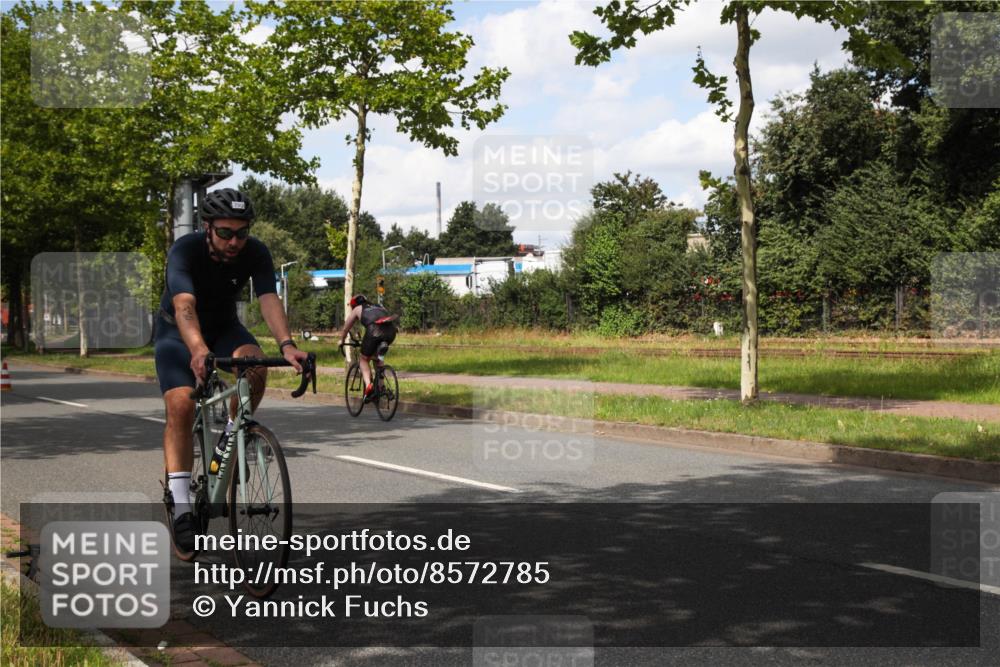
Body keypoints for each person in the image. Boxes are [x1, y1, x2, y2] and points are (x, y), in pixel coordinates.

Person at [154, 188, 308, 553]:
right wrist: (198, 350)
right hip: (178, 333)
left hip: (224, 328)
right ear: (208, 228)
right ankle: (181, 506)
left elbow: (268, 298)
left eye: (241, 233)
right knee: (181, 405)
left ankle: (231, 437)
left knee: (255, 364)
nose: (234, 241)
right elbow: (184, 305)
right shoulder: (184, 251)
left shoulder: (256, 252)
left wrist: (287, 345)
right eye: (225, 233)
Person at [338, 294, 398, 400]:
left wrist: (341, 340)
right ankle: (381, 387)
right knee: (378, 357)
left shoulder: (357, 309)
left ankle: (368, 385)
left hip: (374, 331)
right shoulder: (379, 306)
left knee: (363, 359)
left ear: (354, 304)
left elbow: (346, 327)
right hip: (391, 332)